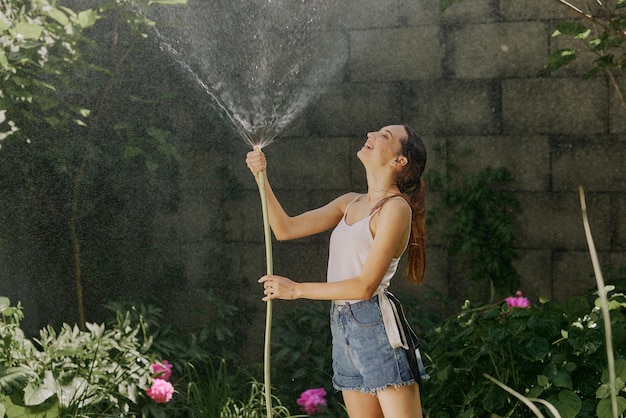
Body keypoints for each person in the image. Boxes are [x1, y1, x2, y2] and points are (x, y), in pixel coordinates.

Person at [245, 124, 427, 418]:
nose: (371, 134)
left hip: (374, 324)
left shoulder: (395, 208)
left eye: (384, 136)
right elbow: (285, 229)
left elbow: (364, 286)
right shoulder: (349, 203)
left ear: (399, 161)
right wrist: (260, 177)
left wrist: (296, 289)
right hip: (342, 325)